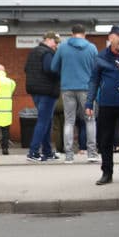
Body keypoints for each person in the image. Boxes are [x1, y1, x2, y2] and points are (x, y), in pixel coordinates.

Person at [86, 25, 119, 185]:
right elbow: (94, 81)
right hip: (107, 104)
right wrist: (89, 102)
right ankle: (106, 173)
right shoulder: (101, 57)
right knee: (105, 140)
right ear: (110, 38)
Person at [50, 23, 99, 163]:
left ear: (72, 34)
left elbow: (53, 67)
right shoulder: (91, 47)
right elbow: (97, 69)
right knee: (90, 120)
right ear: (84, 34)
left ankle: (69, 155)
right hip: (87, 89)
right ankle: (91, 153)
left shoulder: (63, 47)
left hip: (67, 88)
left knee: (69, 121)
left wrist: (65, 72)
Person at [25, 31, 61, 162]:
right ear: (49, 40)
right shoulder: (47, 53)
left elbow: (26, 69)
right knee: (43, 121)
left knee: (47, 121)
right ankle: (33, 152)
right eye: (55, 42)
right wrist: (60, 73)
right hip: (47, 91)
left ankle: (47, 152)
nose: (56, 46)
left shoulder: (34, 51)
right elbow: (50, 69)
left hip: (35, 90)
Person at [0, 64, 16, 155]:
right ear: (4, 71)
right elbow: (11, 92)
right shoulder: (11, 82)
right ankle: (5, 148)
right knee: (5, 131)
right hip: (6, 110)